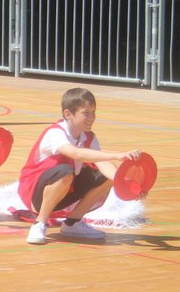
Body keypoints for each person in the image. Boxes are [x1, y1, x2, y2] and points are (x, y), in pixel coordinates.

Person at [18, 87, 142, 245]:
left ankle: (72, 223)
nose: (91, 118)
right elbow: (75, 153)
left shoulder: (89, 137)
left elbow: (103, 163)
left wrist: (128, 185)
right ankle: (40, 223)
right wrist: (118, 155)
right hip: (34, 193)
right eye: (86, 113)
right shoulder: (55, 133)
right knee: (65, 172)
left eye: (93, 113)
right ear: (67, 114)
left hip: (65, 188)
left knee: (107, 176)